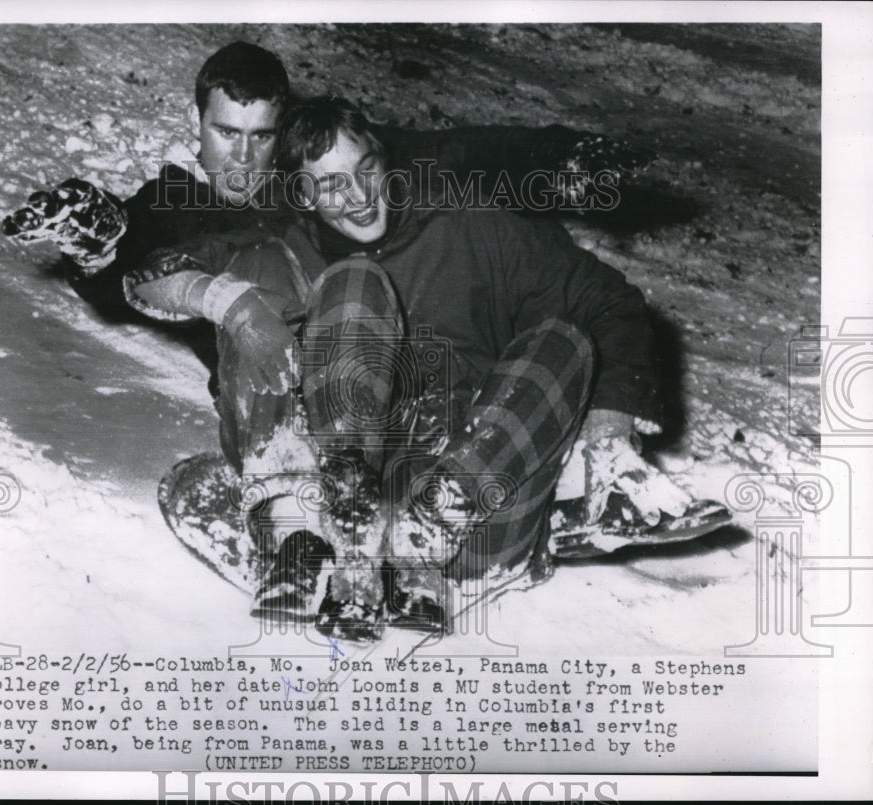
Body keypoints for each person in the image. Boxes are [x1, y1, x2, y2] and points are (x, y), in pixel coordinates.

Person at [126, 97, 722, 642]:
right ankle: (310, 527)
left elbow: (608, 301)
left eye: (365, 172)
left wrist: (610, 433)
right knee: (351, 284)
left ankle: (425, 534)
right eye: (330, 185)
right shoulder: (287, 243)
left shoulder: (467, 224)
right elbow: (154, 273)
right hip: (332, 484)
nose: (357, 196)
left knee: (564, 339)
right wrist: (224, 301)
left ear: (384, 161)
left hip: (461, 509)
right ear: (302, 195)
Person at [3, 41, 653, 395]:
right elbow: (135, 268)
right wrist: (98, 247)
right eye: (227, 133)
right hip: (283, 388)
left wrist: (554, 158)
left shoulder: (316, 173)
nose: (244, 155)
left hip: (388, 359)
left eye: (262, 135)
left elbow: (452, 154)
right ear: (194, 124)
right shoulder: (169, 203)